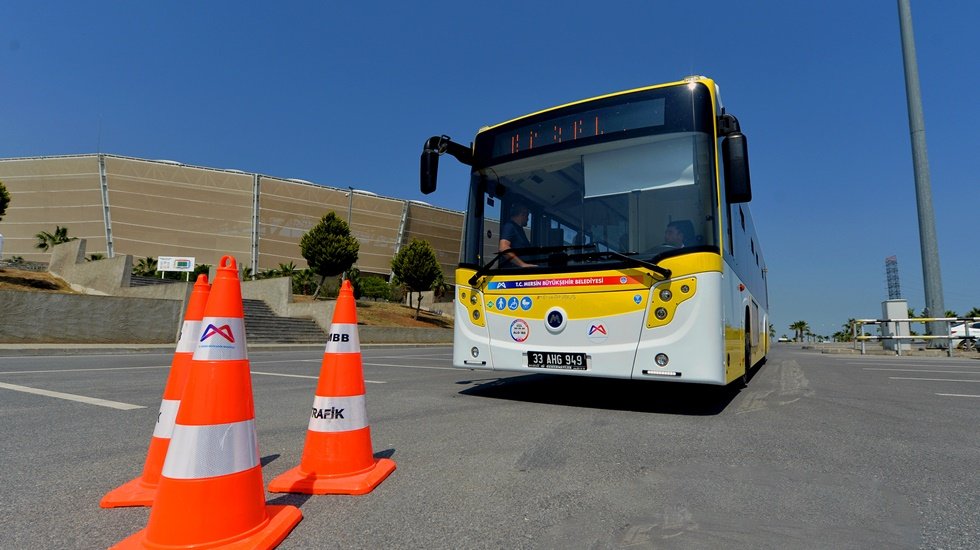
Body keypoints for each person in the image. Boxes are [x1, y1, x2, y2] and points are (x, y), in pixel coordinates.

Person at [499, 202, 535, 268]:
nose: (528, 219)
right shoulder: (509, 226)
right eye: (527, 215)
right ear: (522, 214)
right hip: (514, 272)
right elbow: (503, 248)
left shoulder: (519, 229)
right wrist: (522, 264)